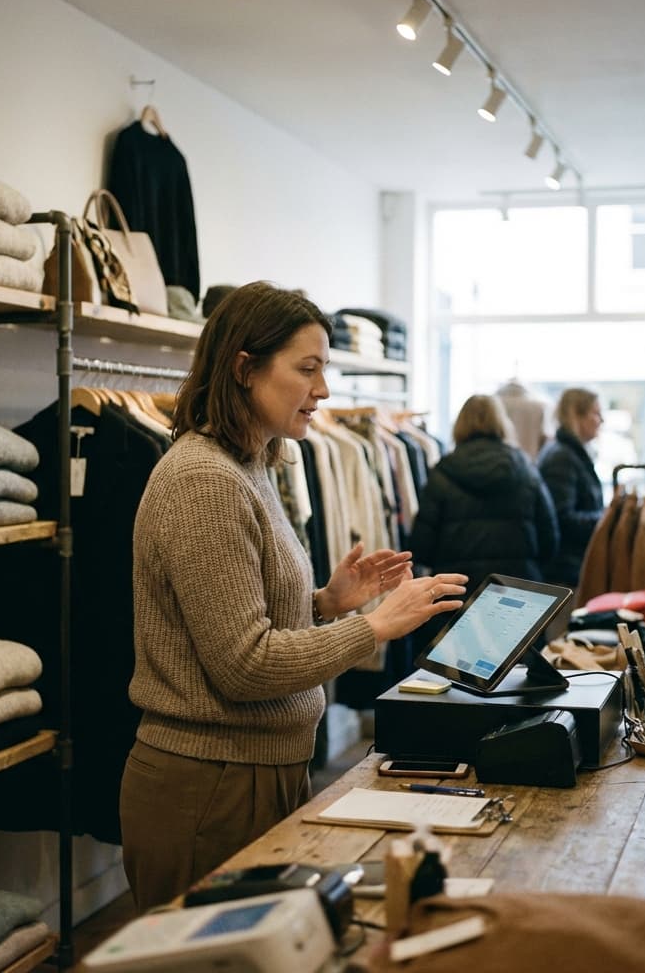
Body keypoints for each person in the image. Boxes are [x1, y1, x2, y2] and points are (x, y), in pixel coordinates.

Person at [119, 281, 468, 911]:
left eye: (324, 369)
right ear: (244, 368)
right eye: (307, 370)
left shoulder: (251, 465)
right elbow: (242, 666)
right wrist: (376, 626)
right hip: (209, 785)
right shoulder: (205, 480)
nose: (324, 391)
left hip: (249, 773)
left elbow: (227, 615)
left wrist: (324, 604)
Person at [409, 394, 559, 653]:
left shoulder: (443, 473)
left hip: (458, 597)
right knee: (518, 680)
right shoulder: (526, 470)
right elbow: (550, 541)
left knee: (459, 679)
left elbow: (422, 547)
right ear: (502, 424)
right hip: (517, 595)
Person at [536, 388, 604, 588]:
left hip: (570, 567)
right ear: (577, 415)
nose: (601, 420)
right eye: (596, 413)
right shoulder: (563, 457)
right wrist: (604, 519)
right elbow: (562, 517)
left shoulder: (569, 453)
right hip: (565, 571)